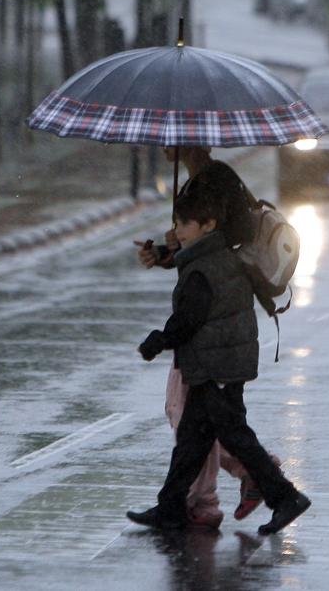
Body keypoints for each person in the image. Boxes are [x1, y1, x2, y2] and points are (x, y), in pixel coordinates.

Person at [127, 187, 310, 535]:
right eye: (176, 223)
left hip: (218, 365)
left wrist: (159, 341)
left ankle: (285, 497)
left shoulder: (204, 267)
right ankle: (171, 507)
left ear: (208, 224)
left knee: (236, 435)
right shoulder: (217, 256)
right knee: (192, 440)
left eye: (185, 224)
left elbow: (189, 318)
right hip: (217, 361)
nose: (178, 231)